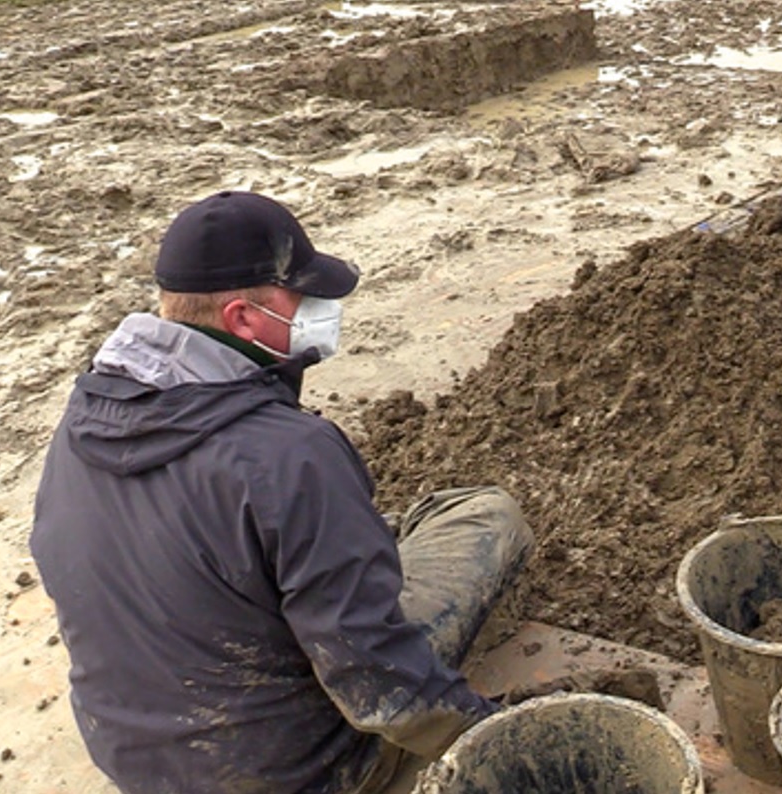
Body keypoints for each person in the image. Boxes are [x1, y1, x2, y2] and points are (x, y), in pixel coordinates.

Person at [29, 191, 534, 793]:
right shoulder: (290, 454)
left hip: (137, 761)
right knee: (483, 516)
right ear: (243, 318)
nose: (322, 310)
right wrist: (504, 740)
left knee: (317, 537)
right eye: (304, 298)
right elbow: (378, 684)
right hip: (297, 774)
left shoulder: (85, 417)